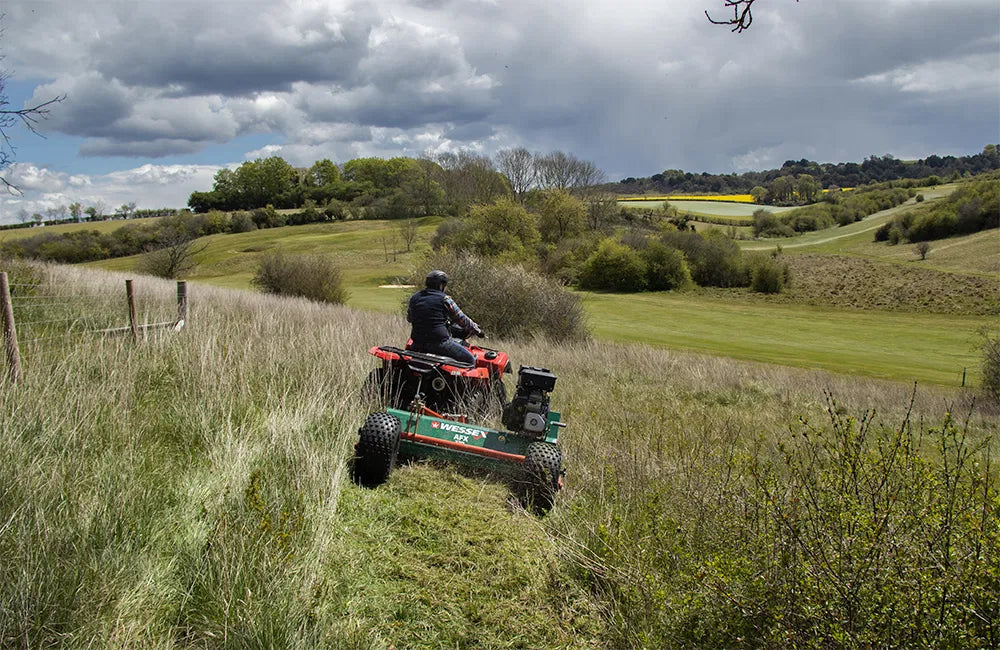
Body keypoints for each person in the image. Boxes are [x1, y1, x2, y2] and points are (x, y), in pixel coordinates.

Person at [407, 270, 482, 365]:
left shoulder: (414, 298)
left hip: (417, 343)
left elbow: (409, 318)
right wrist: (477, 330)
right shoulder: (445, 299)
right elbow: (462, 319)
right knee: (470, 359)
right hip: (440, 343)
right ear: (441, 285)